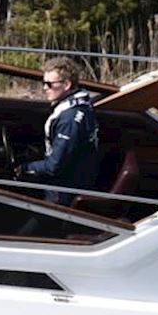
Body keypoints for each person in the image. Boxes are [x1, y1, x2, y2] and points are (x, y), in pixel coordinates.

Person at [18, 57, 100, 208]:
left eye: (49, 84)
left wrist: (25, 168)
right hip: (70, 181)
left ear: (66, 85)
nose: (45, 88)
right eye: (44, 83)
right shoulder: (79, 107)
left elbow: (54, 166)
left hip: (63, 192)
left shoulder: (69, 119)